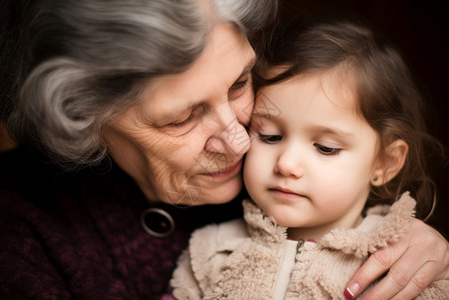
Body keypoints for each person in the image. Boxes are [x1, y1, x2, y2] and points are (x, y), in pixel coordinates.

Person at [0, 1, 447, 299]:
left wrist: (421, 253)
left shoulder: (290, 192)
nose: (240, 141)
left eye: (238, 84)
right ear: (86, 119)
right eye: (181, 118)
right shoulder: (18, 232)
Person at [170, 19, 449, 299]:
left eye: (326, 148)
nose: (286, 164)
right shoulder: (209, 251)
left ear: (385, 164)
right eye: (269, 136)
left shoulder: (406, 265)